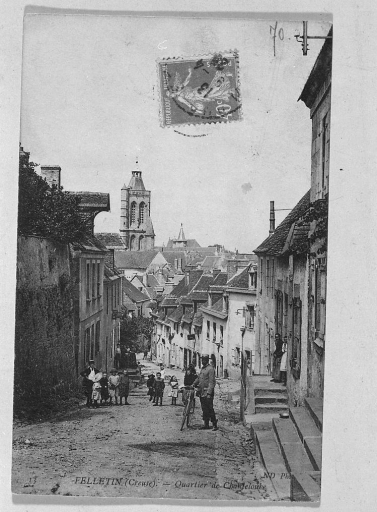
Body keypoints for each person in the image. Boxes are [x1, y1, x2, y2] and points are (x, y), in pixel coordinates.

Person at [193, 354, 218, 431]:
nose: (202, 361)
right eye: (202, 359)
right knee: (204, 409)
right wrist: (194, 384)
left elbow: (212, 382)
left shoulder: (210, 369)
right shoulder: (203, 369)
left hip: (207, 392)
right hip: (201, 392)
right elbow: (199, 378)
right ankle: (206, 424)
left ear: (207, 360)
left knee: (210, 408)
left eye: (204, 360)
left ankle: (214, 424)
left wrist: (209, 393)